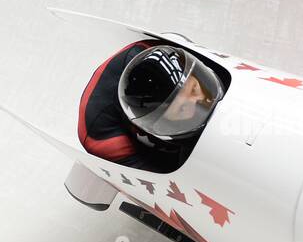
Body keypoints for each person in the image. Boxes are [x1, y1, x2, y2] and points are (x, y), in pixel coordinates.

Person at [77, 41, 225, 172]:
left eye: (193, 89)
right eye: (182, 108)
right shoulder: (103, 139)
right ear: (165, 122)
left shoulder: (164, 52)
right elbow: (166, 182)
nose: (200, 101)